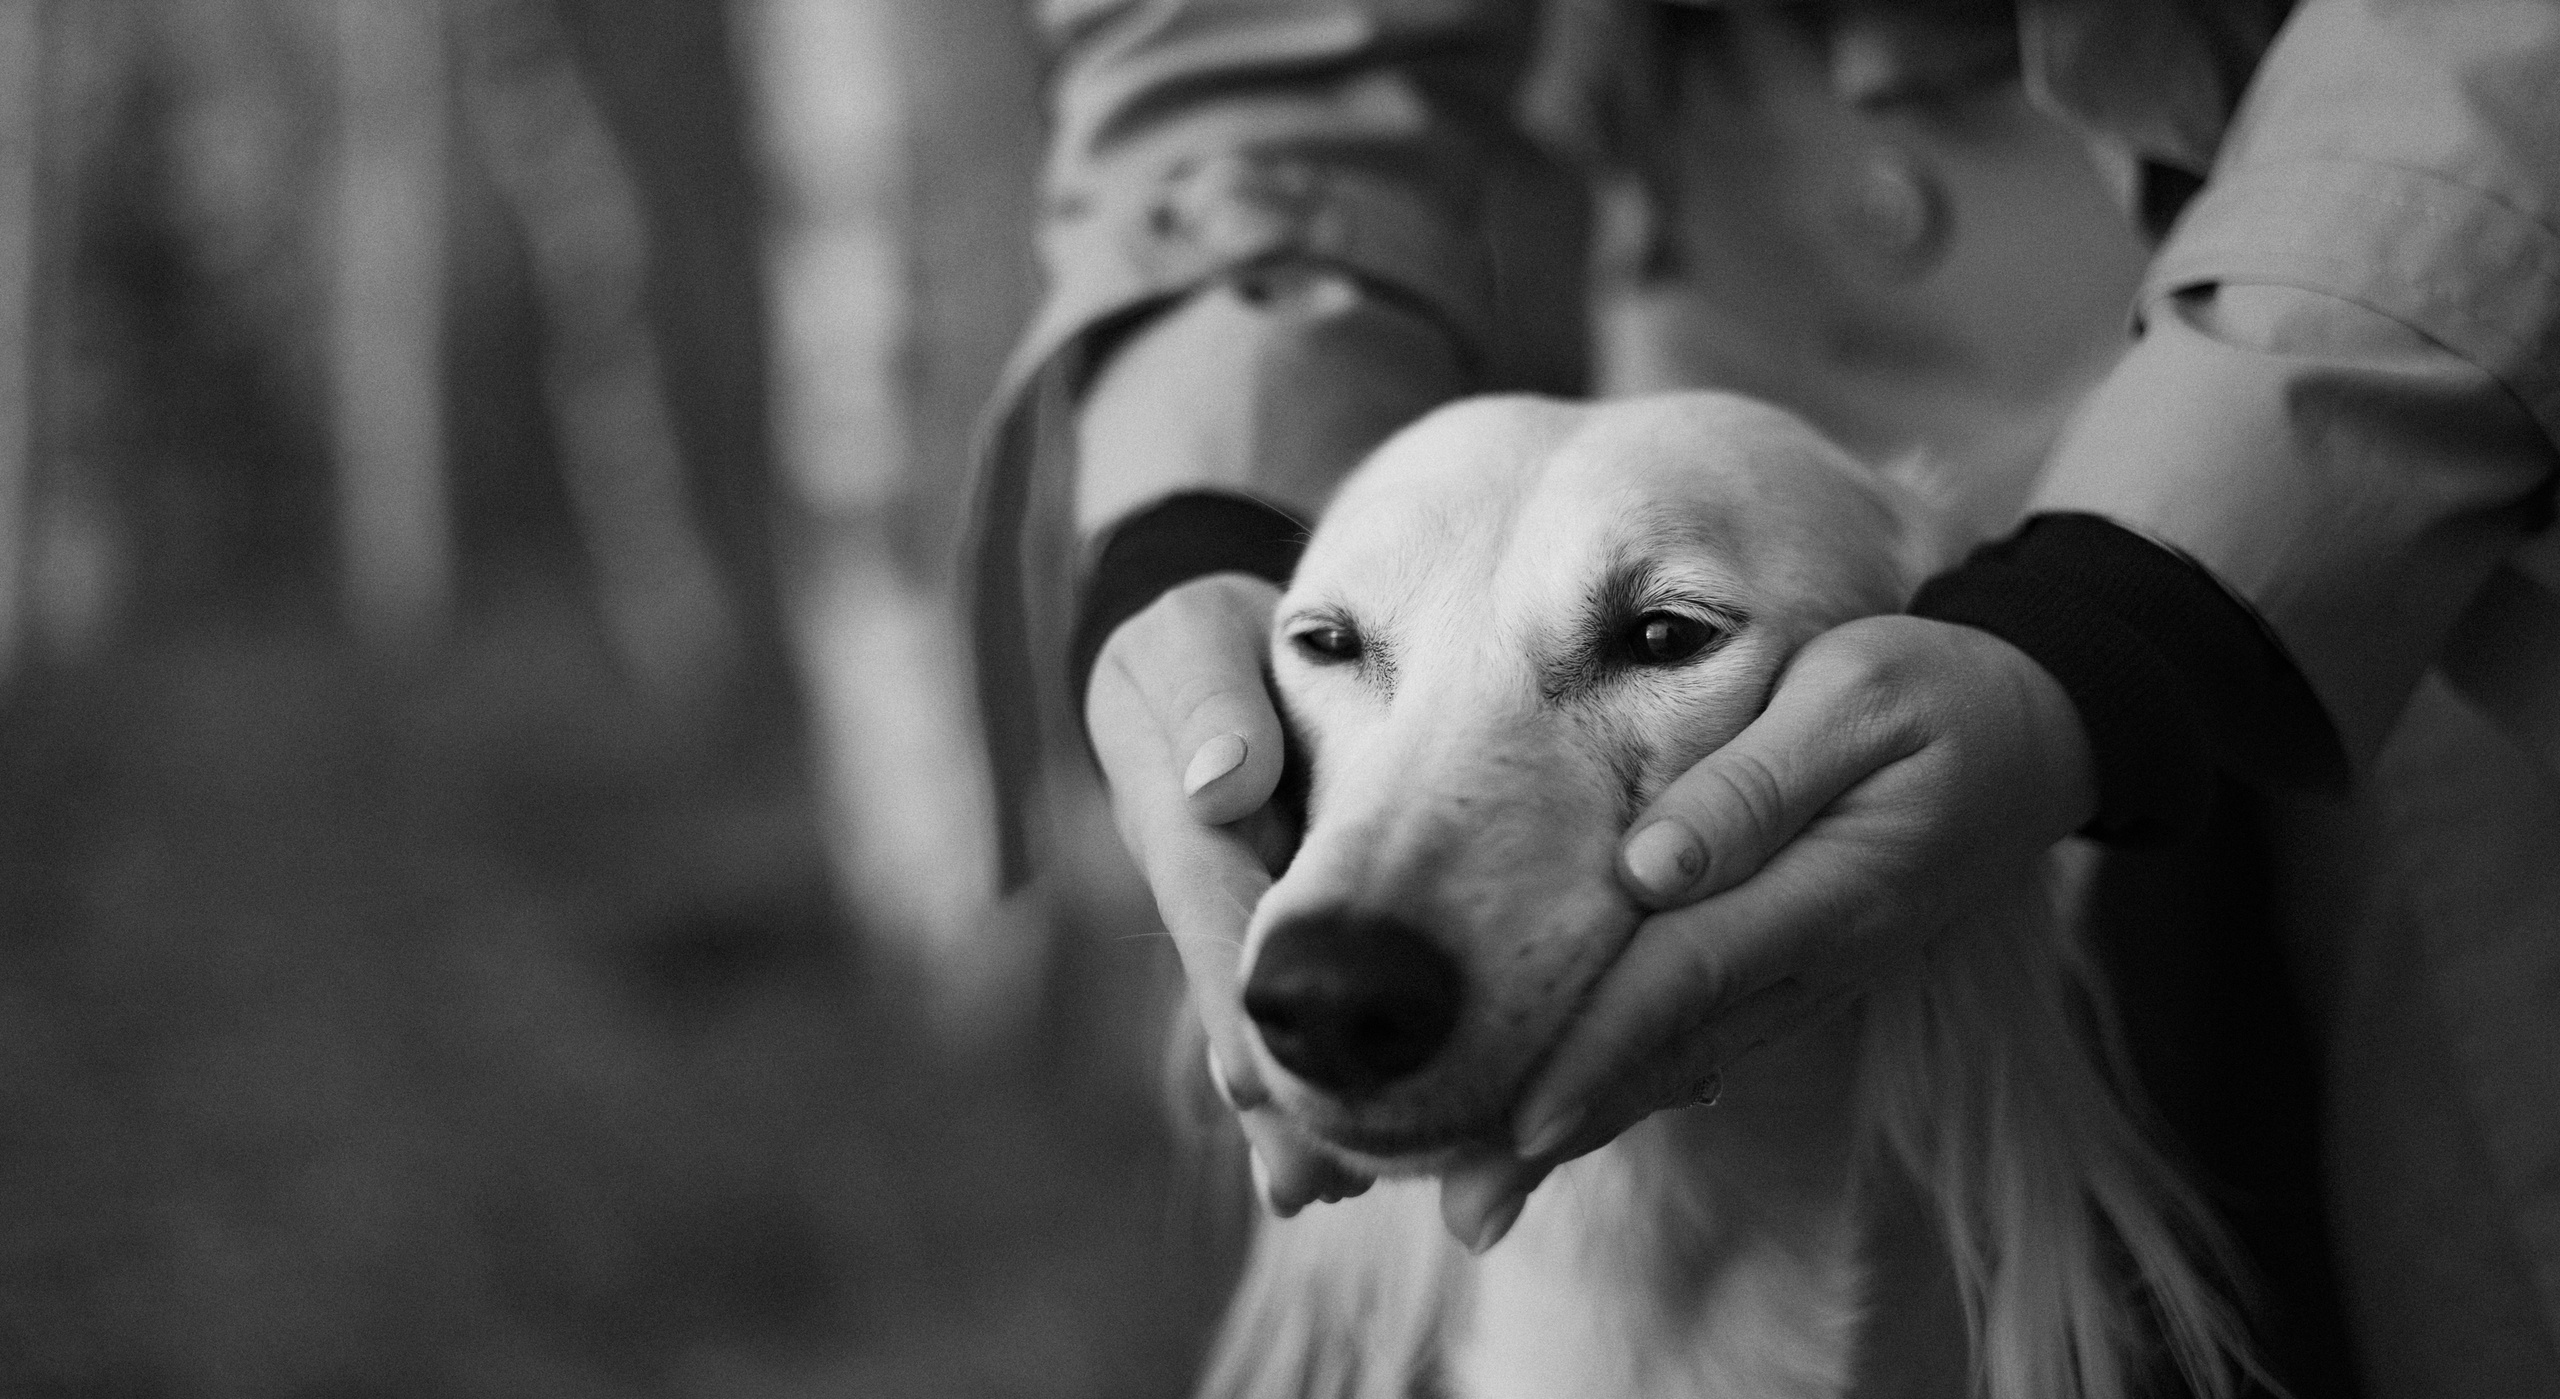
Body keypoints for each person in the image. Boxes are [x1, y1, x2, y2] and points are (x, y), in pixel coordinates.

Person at [961, 2, 2560, 1393]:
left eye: (1660, 640)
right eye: (1337, 646)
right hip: (1765, 265)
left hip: (2465, 367)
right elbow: (1251, 51)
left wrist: (2143, 609)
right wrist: (1202, 504)